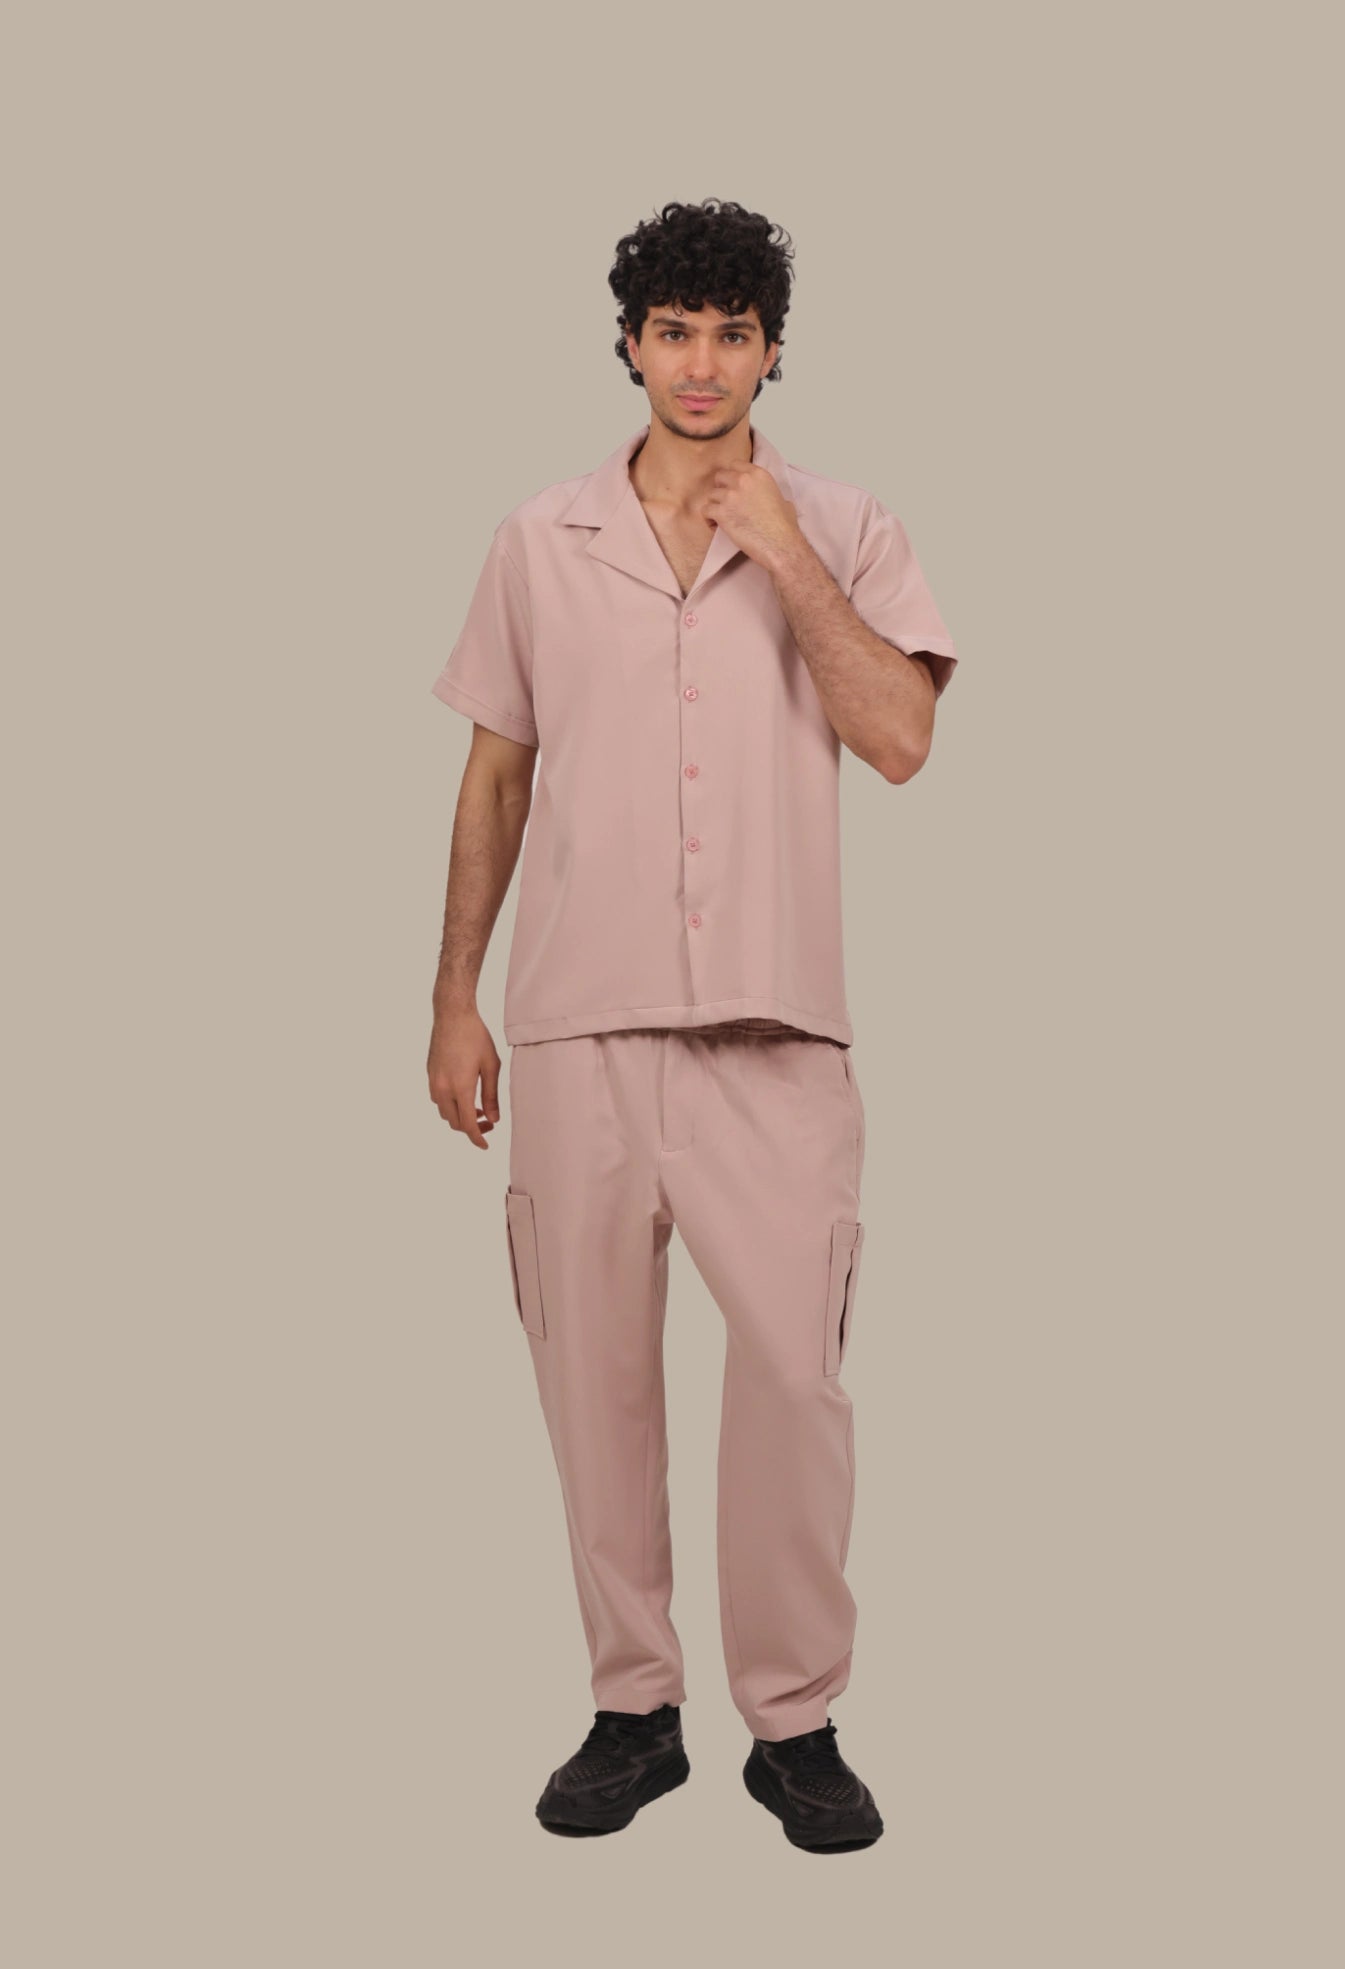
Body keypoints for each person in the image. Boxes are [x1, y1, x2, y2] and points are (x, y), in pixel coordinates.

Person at [426, 198, 959, 1853]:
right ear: (630, 344)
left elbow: (899, 739)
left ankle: (791, 1720)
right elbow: (495, 776)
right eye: (674, 330)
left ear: (773, 348)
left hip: (775, 1035)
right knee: (590, 1382)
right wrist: (452, 996)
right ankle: (632, 1706)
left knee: (793, 1378)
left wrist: (782, 550)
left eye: (733, 331)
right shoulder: (539, 538)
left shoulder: (848, 523)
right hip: (575, 1023)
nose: (703, 361)